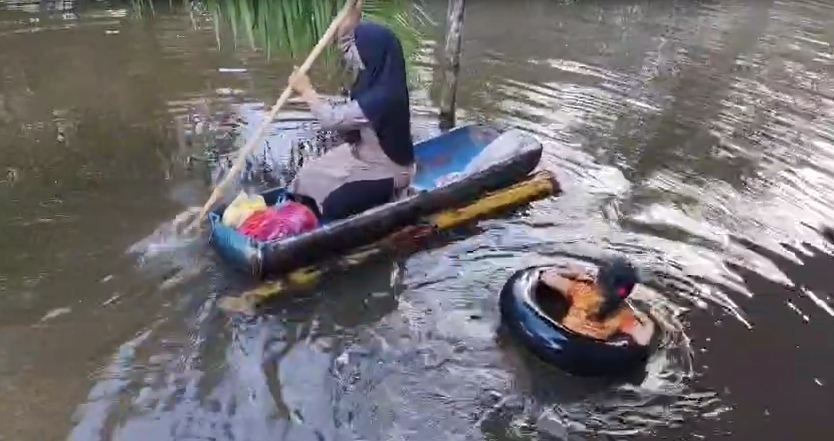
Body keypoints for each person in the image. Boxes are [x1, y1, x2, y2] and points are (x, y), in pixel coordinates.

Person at [286, 1, 414, 221]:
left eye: (359, 48)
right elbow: (346, 44)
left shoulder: (385, 97)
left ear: (371, 53)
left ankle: (393, 195)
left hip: (388, 169)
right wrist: (353, 13)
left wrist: (307, 91)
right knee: (305, 180)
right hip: (359, 153)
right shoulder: (375, 71)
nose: (353, 52)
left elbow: (331, 120)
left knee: (334, 204)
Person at [540, 257, 653, 345]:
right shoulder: (625, 314)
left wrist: (577, 274)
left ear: (598, 279)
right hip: (591, 354)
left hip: (561, 338)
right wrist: (647, 319)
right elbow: (643, 340)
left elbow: (547, 276)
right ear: (629, 290)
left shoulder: (581, 290)